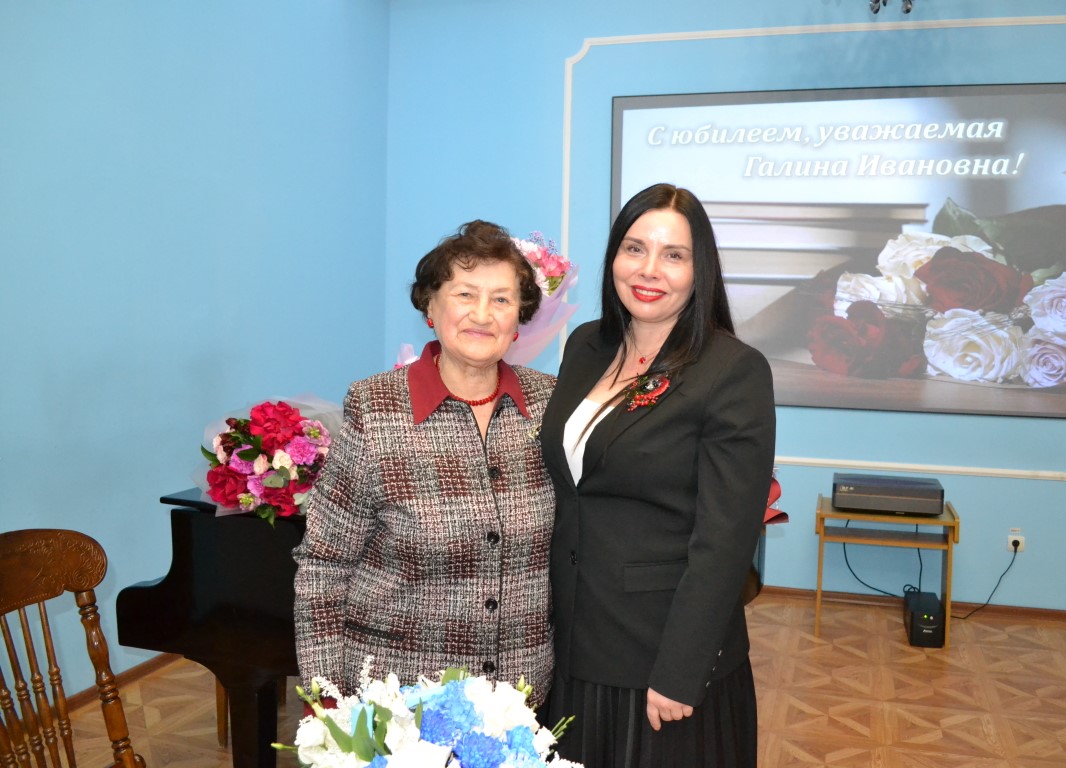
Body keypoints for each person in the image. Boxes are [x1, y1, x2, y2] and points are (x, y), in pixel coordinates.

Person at [540, 184, 776, 766]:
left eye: (674, 255)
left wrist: (680, 671)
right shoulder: (586, 346)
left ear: (701, 270)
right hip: (572, 638)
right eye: (634, 248)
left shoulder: (732, 371)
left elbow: (725, 541)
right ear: (614, 258)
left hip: (659, 658)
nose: (649, 270)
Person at [293, 220, 556, 707]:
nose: (483, 314)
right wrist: (326, 697)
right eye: (464, 294)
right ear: (430, 306)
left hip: (519, 698)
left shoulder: (549, 403)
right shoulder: (376, 408)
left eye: (501, 299)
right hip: (400, 700)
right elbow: (324, 565)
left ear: (519, 317)